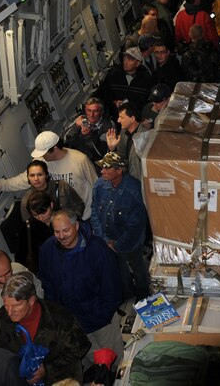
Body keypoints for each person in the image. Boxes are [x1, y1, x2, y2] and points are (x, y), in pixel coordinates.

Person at [38, 210, 124, 367]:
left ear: (76, 226)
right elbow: (48, 286)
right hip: (74, 324)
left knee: (115, 359)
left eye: (66, 230)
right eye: (57, 231)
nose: (61, 236)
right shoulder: (47, 250)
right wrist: (60, 317)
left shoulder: (97, 249)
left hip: (102, 321)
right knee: (93, 361)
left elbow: (112, 287)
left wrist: (102, 314)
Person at [0, 273, 90, 384]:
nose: (10, 312)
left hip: (62, 381)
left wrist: (47, 369)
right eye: (6, 305)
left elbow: (80, 347)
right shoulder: (2, 317)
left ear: (31, 300)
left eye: (16, 306)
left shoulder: (60, 318)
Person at [0, 131, 96, 221]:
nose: (41, 156)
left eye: (44, 153)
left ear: (55, 149)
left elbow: (95, 184)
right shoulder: (41, 161)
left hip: (85, 215)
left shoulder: (80, 160)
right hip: (61, 221)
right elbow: (22, 180)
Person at [90, 152, 151, 302]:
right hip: (108, 239)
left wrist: (117, 244)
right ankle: (127, 292)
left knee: (139, 269)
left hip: (131, 242)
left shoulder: (133, 190)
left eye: (107, 168)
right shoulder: (99, 186)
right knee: (119, 269)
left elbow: (136, 225)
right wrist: (104, 239)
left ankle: (143, 295)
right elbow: (94, 211)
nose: (102, 171)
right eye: (102, 167)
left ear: (119, 170)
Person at [98, 46, 152, 112]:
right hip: (117, 115)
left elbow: (148, 101)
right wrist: (114, 102)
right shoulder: (113, 75)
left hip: (136, 116)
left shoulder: (146, 79)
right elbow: (104, 95)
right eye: (125, 58)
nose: (125, 62)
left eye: (130, 60)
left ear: (137, 63)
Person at [16, 190, 57, 273]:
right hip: (46, 269)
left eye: (43, 213)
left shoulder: (63, 217)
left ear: (51, 205)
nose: (40, 218)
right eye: (35, 215)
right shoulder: (28, 228)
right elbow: (21, 256)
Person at [63, 97, 113, 163]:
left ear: (101, 112)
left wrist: (88, 136)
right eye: (89, 111)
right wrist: (76, 126)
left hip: (97, 163)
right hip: (79, 160)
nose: (91, 115)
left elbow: (102, 153)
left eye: (95, 111)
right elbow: (66, 140)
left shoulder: (108, 126)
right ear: (85, 111)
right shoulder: (82, 120)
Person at [106, 102, 145, 180]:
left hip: (139, 180)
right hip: (126, 177)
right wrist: (112, 148)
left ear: (132, 119)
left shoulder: (145, 136)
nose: (118, 120)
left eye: (121, 117)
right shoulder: (123, 132)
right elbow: (120, 158)